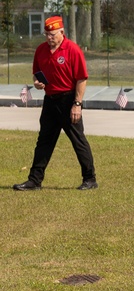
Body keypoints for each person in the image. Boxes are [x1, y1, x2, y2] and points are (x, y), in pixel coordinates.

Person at [14, 15, 98, 191]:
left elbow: (82, 79)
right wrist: (38, 83)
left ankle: (90, 179)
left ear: (61, 32)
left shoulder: (72, 50)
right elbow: (37, 73)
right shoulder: (41, 50)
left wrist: (77, 104)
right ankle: (34, 181)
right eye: (46, 34)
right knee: (44, 141)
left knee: (78, 141)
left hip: (68, 101)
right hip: (50, 101)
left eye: (52, 34)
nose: (49, 38)